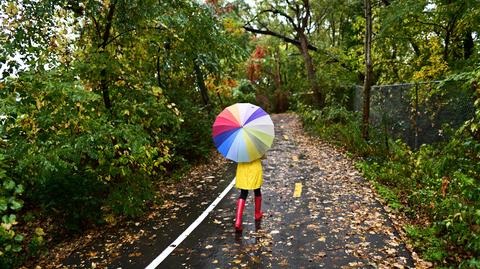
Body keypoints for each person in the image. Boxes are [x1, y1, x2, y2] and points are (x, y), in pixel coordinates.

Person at [234, 156, 265, 232]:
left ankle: (238, 221)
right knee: (257, 190)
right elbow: (263, 156)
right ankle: (257, 214)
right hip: (255, 168)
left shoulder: (239, 145)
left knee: (243, 193)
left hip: (243, 169)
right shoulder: (256, 145)